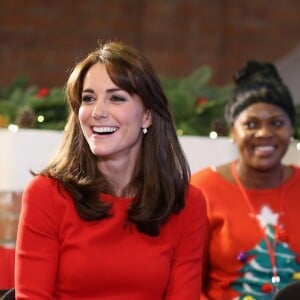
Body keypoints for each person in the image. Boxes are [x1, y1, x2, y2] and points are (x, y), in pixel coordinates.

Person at [14, 40, 207, 299]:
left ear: (147, 115)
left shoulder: (186, 203)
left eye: (116, 98)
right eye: (88, 98)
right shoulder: (46, 194)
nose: (98, 112)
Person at [191, 60, 300, 300]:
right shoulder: (201, 190)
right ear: (232, 130)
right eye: (251, 124)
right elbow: (187, 284)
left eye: (277, 123)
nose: (264, 133)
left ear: (291, 128)